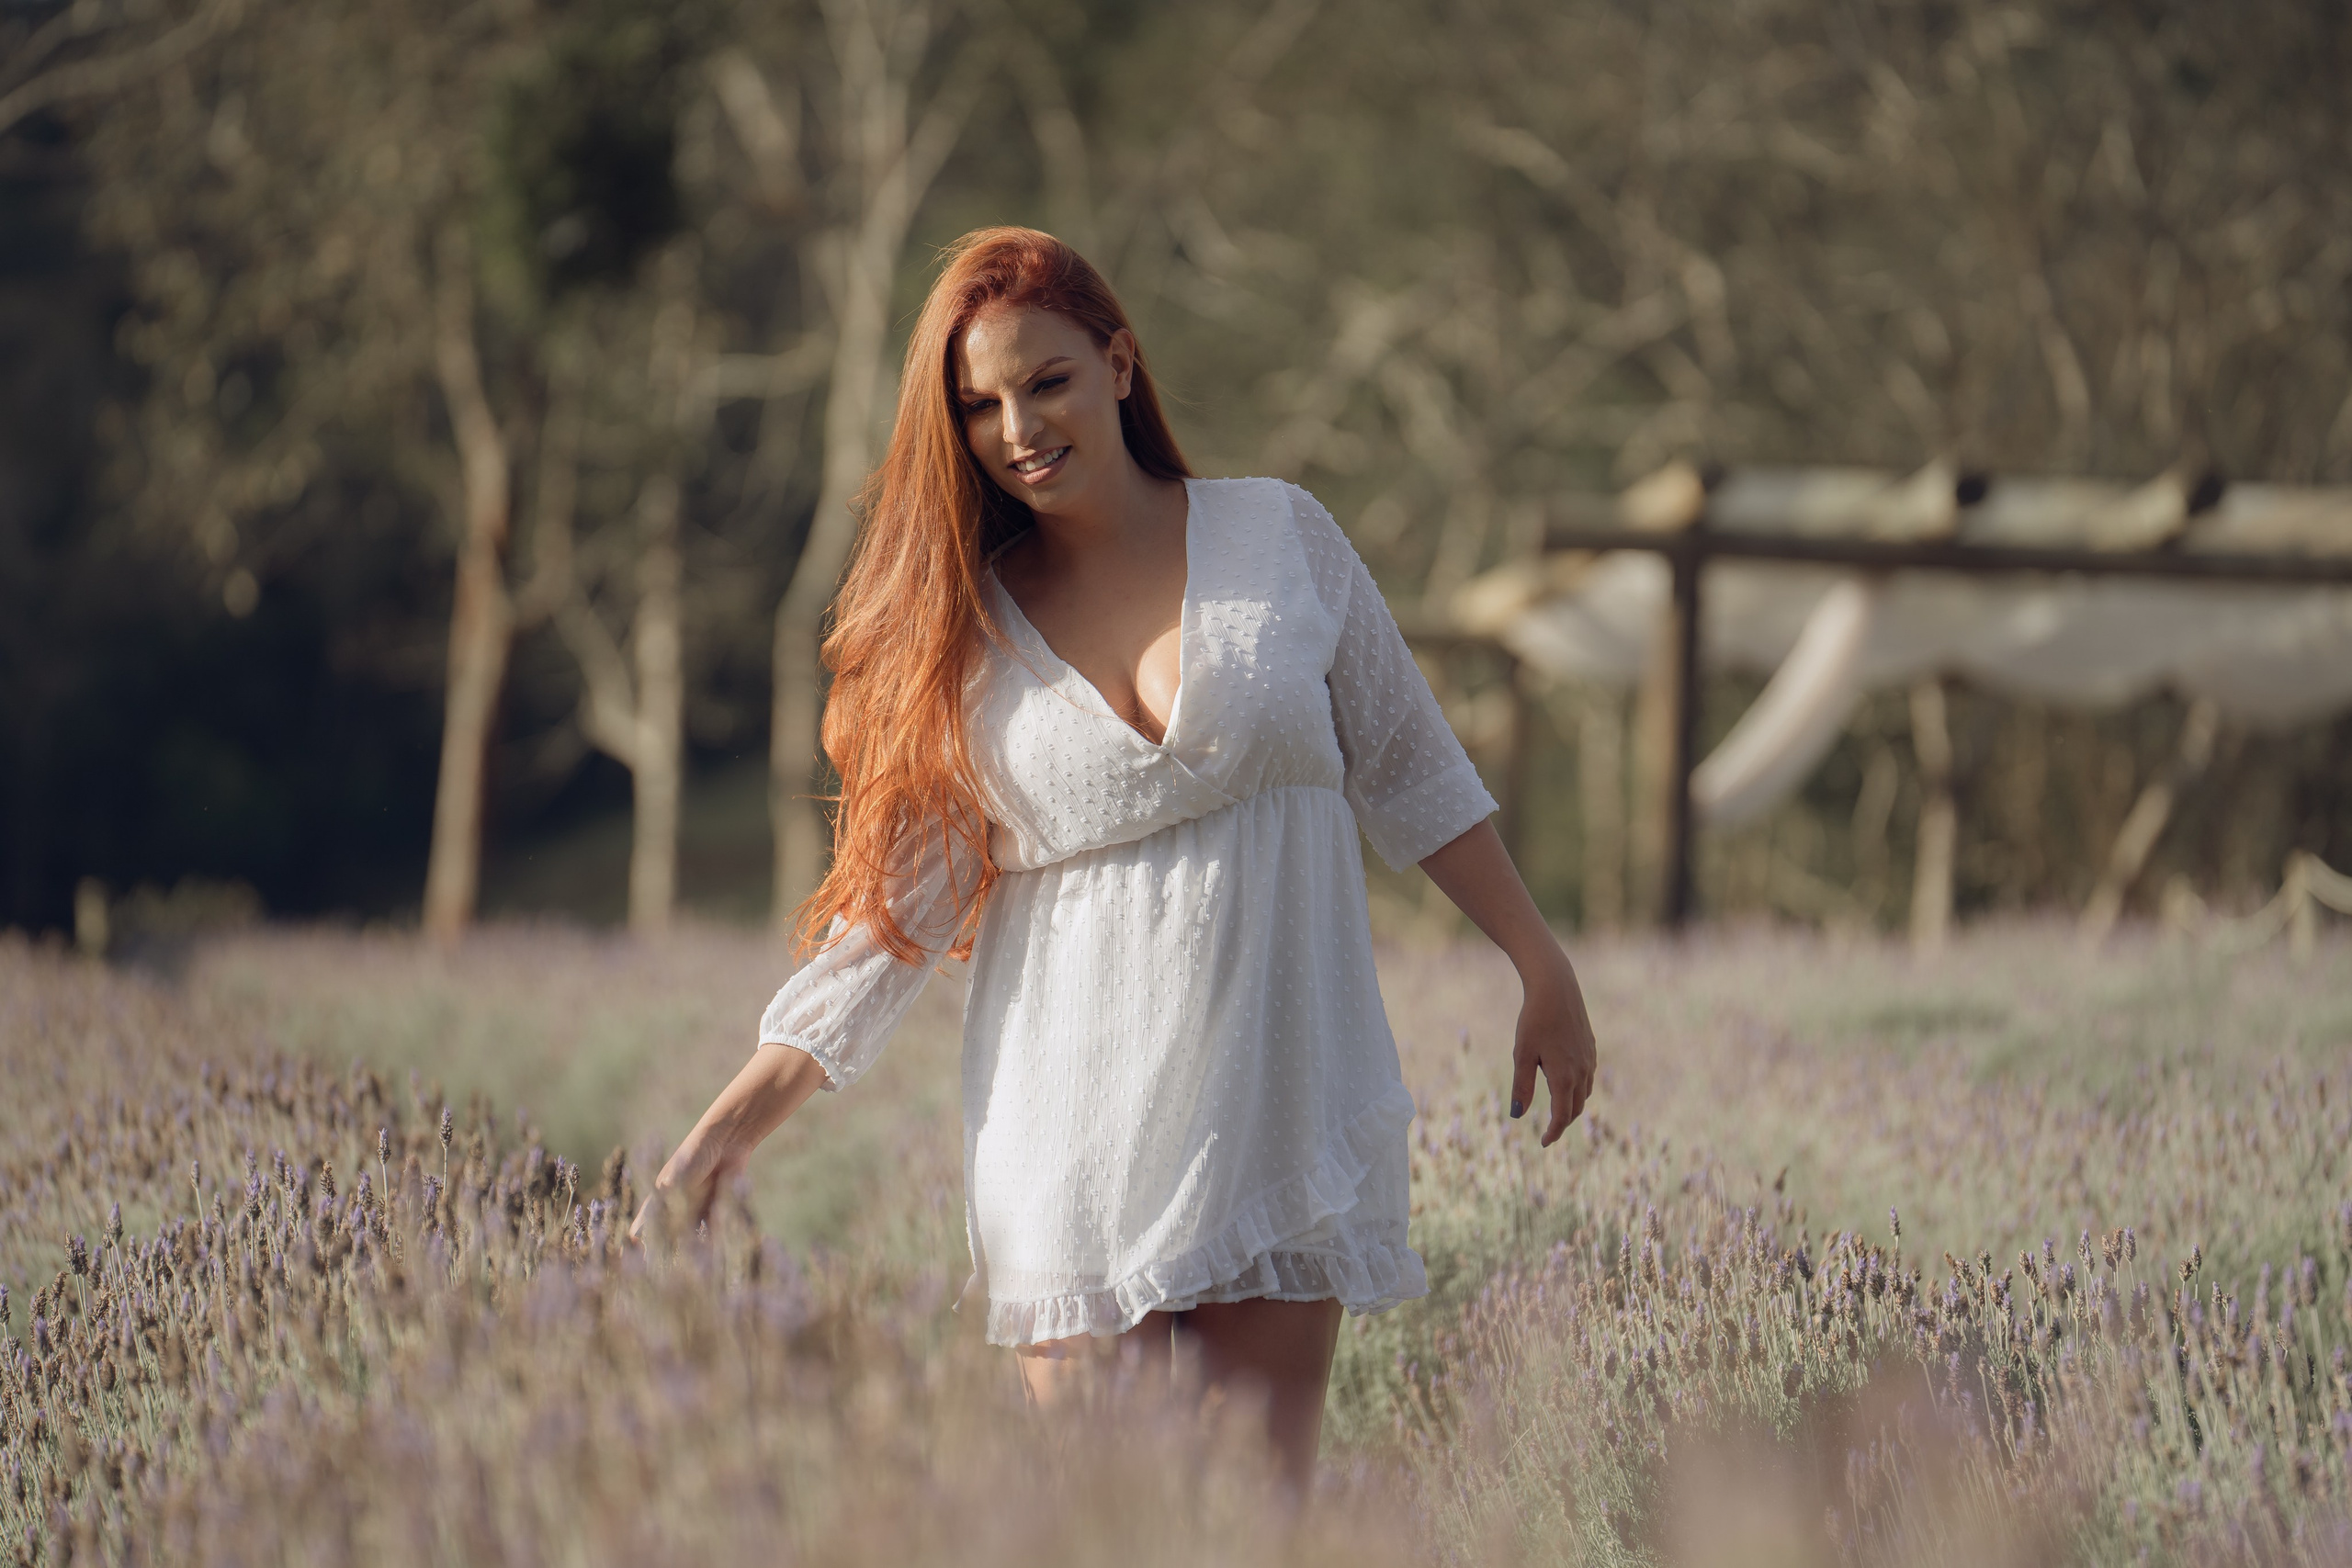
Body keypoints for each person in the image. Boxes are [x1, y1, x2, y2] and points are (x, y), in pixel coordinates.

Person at [630, 226, 1597, 1500]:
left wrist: (1540, 961)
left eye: (1047, 381)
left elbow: (1413, 768)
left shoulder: (1282, 538)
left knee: (1259, 1524)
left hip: (1281, 1108)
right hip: (1073, 1147)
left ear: (1120, 364)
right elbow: (887, 931)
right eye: (978, 405)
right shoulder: (963, 641)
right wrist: (720, 1137)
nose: (1017, 426)